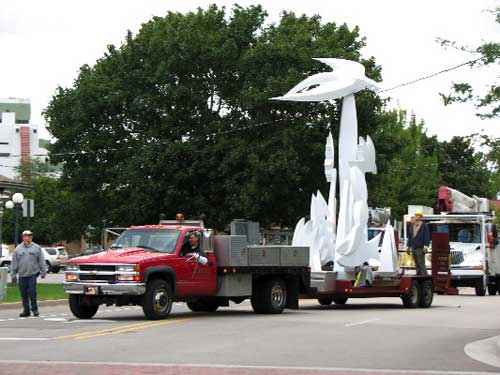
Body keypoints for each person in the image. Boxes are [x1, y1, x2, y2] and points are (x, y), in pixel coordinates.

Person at [10, 230, 46, 317]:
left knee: (32, 291)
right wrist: (13, 273)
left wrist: (43, 271)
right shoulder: (18, 249)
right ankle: (26, 310)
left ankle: (35, 309)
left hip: (33, 274)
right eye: (27, 236)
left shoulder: (37, 248)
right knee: (23, 293)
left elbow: (41, 260)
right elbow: (14, 262)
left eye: (30, 236)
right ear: (23, 237)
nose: (29, 237)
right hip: (22, 274)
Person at [407, 210, 430, 275]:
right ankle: (418, 276)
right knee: (416, 264)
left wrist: (425, 247)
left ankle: (424, 276)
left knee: (421, 264)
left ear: (420, 217)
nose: (416, 217)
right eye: (415, 215)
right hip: (413, 248)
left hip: (420, 248)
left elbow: (427, 237)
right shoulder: (412, 225)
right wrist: (408, 247)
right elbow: (410, 237)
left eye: (417, 215)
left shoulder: (424, 226)